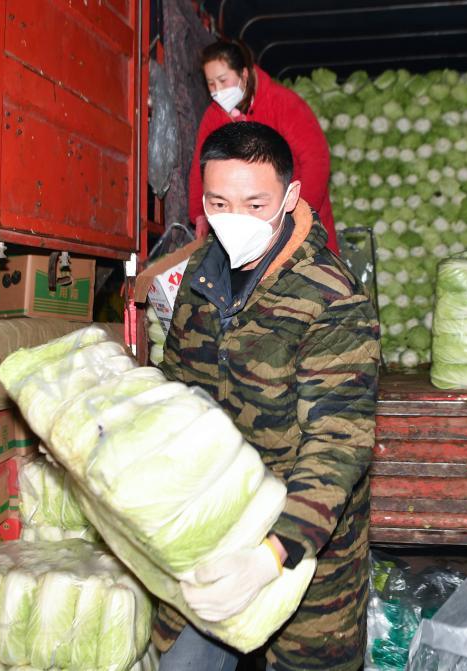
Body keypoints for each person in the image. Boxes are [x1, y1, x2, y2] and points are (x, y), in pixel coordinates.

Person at [155, 121, 379, 671]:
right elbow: (176, 389)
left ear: (290, 196)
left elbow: (337, 443)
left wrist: (272, 555)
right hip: (212, 526)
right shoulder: (200, 275)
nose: (236, 219)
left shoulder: (332, 298)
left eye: (255, 204)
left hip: (305, 546)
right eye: (219, 203)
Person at [189, 39, 339, 254]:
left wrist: (298, 215)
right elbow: (200, 168)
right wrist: (200, 214)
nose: (218, 90)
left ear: (244, 74)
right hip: (243, 227)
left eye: (223, 80)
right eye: (211, 84)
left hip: (300, 216)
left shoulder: (283, 103)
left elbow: (316, 161)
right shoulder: (213, 117)